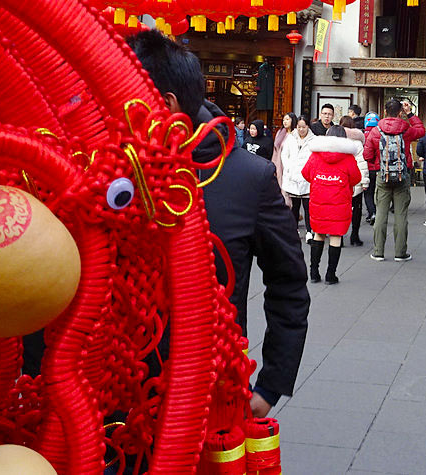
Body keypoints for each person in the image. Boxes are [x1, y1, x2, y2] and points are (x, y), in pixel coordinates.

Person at [127, 31, 308, 416]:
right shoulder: (110, 171)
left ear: (166, 104)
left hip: (206, 398)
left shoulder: (248, 178)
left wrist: (271, 385)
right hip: (108, 400)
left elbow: (288, 283)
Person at [301, 126, 367, 284]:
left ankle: (314, 272)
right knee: (336, 236)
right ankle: (331, 275)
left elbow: (305, 173)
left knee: (318, 234)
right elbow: (356, 178)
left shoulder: (316, 155)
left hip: (319, 201)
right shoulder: (348, 158)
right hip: (339, 203)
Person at [364, 99, 424, 262]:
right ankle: (400, 252)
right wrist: (410, 113)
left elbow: (367, 155)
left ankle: (378, 251)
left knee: (381, 214)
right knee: (401, 215)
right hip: (402, 176)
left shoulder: (376, 131)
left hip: (382, 176)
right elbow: (421, 130)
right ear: (400, 113)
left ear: (384, 112)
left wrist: (379, 163)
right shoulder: (407, 130)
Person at [281, 116, 316, 226]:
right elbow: (284, 155)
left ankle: (309, 231)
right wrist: (288, 169)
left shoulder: (313, 140)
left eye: (303, 127)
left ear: (308, 127)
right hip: (293, 177)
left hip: (307, 178)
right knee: (294, 207)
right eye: (299, 127)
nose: (301, 129)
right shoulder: (290, 138)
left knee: (307, 207)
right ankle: (294, 230)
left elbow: (315, 158)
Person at [340, 117, 368, 246]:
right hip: (355, 179)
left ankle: (338, 236)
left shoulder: (337, 141)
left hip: (340, 181)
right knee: (356, 209)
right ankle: (354, 235)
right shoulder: (357, 143)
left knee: (339, 209)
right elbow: (362, 163)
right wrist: (364, 181)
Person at [361, 112, 380, 225]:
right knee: (377, 192)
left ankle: (371, 212)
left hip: (366, 168)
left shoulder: (362, 135)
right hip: (378, 168)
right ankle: (377, 212)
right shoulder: (380, 133)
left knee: (368, 192)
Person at [272, 113, 296, 192]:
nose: (285, 122)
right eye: (284, 120)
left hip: (288, 164)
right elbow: (275, 150)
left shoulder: (295, 134)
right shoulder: (280, 132)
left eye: (287, 119)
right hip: (278, 162)